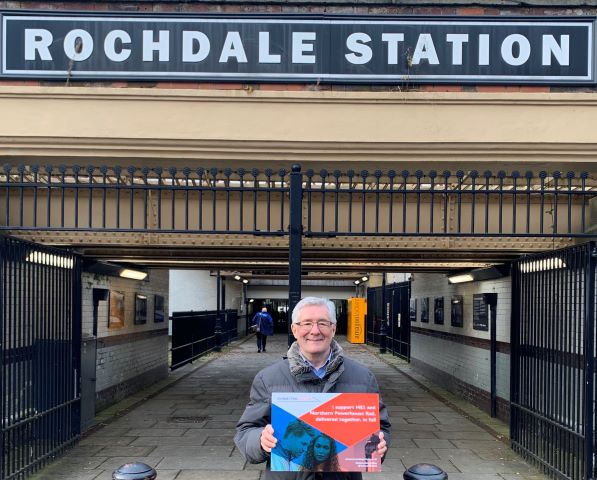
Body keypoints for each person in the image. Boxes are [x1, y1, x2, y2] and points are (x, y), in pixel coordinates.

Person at [235, 296, 390, 480]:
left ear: (333, 328)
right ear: (294, 329)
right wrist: (260, 439)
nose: (315, 331)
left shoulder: (363, 378)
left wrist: (380, 444)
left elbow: (382, 429)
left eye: (323, 323)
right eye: (306, 323)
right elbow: (245, 431)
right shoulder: (267, 378)